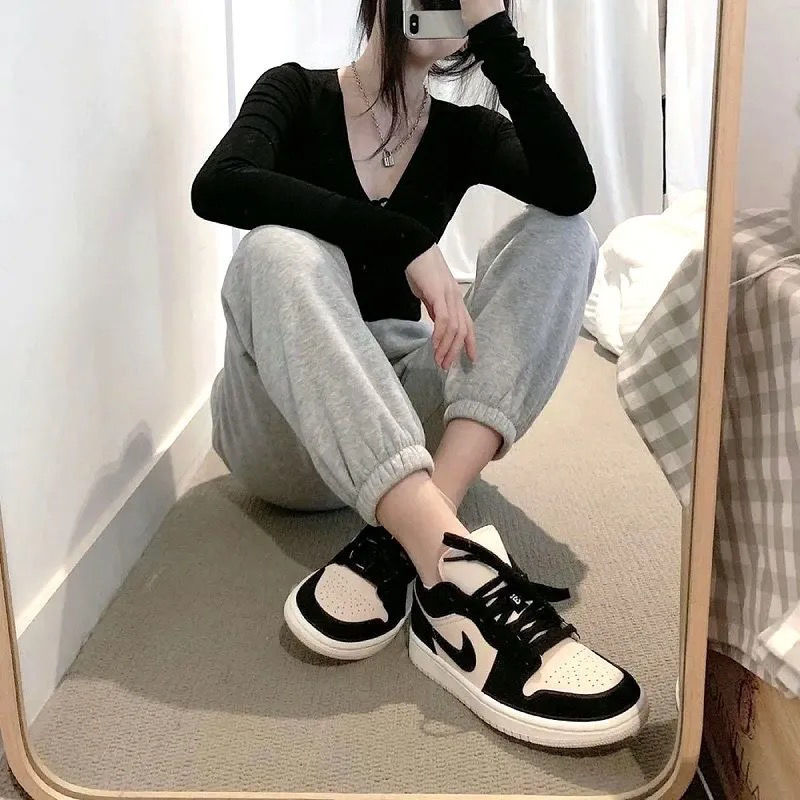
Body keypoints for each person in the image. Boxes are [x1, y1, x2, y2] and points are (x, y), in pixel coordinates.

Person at [192, 0, 648, 748]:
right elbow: (219, 185)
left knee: (566, 237)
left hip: (404, 417)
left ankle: (425, 541)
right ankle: (451, 558)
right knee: (275, 249)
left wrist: (496, 35)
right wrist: (403, 237)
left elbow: (572, 189)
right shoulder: (295, 91)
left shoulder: (463, 131)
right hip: (282, 428)